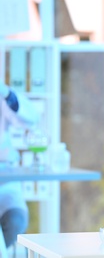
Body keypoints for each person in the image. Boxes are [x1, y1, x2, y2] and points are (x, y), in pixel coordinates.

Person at [0, 81, 39, 247]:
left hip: (5, 184)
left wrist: (7, 94)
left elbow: (32, 117)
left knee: (16, 220)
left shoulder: (3, 99)